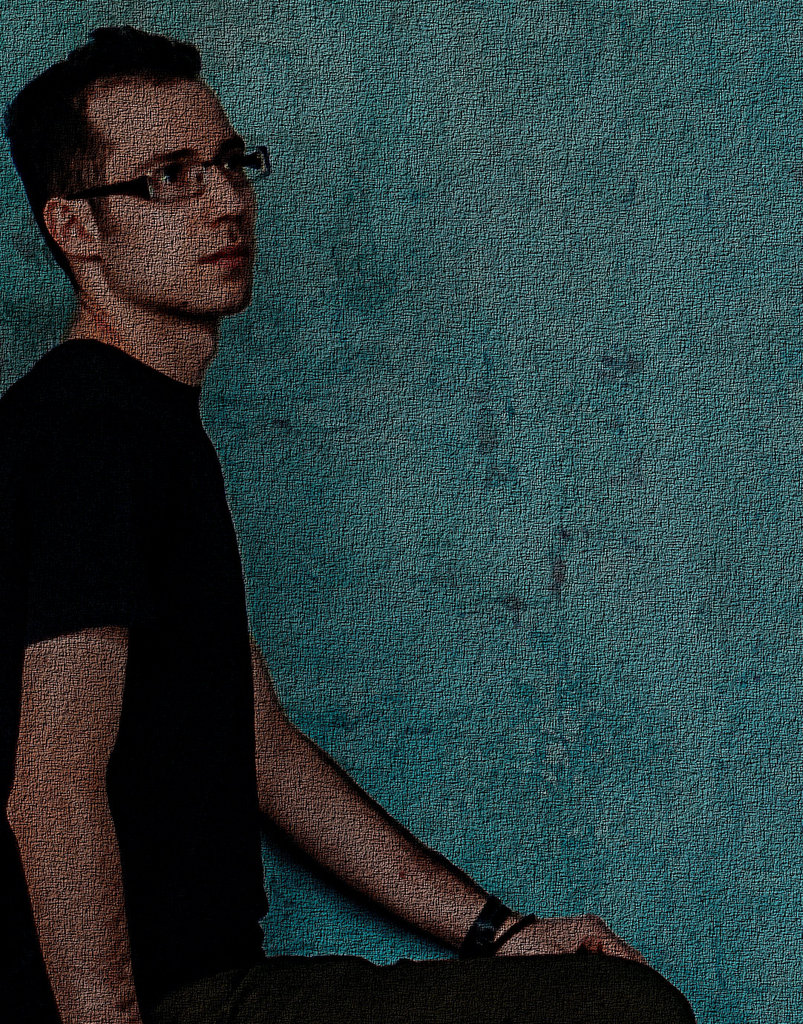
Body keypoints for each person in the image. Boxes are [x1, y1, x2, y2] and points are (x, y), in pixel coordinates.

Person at [0, 26, 696, 1024]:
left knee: (604, 998)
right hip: (165, 1004)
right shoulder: (90, 435)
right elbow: (52, 789)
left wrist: (498, 932)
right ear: (75, 227)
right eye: (169, 178)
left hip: (211, 987)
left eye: (229, 163)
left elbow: (261, 747)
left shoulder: (143, 429)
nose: (227, 201)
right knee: (617, 1014)